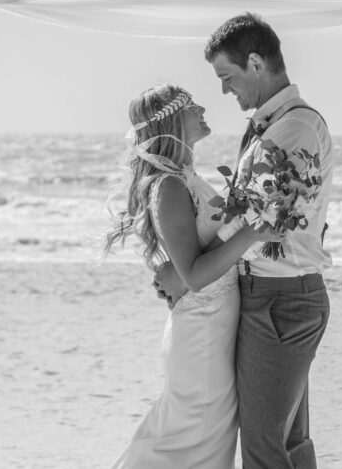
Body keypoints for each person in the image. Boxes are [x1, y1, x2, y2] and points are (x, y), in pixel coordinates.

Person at [155, 13, 335, 469]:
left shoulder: (292, 129)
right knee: (287, 444)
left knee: (265, 449)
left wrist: (187, 271)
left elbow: (262, 220)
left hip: (280, 299)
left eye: (226, 77)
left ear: (256, 63)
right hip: (275, 295)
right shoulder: (275, 125)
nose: (223, 90)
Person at [103, 83, 259, 469]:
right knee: (188, 447)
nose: (202, 108)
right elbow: (193, 275)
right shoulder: (169, 186)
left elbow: (191, 261)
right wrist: (255, 231)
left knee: (199, 445)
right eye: (191, 105)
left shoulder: (185, 177)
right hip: (201, 336)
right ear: (173, 118)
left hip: (213, 330)